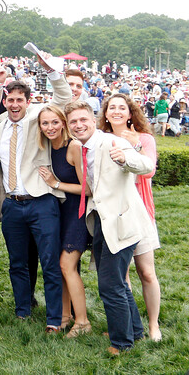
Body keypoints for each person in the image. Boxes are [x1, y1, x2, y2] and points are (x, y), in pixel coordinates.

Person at [0, 55, 71, 332]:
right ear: (5, 101)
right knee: (17, 264)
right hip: (12, 205)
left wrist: (52, 72)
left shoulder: (38, 119)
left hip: (42, 202)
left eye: (20, 100)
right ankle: (22, 312)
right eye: (10, 100)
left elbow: (63, 101)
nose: (14, 105)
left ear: (28, 101)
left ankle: (54, 319)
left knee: (50, 263)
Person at [65, 100, 155, 354]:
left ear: (93, 121)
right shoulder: (82, 147)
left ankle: (121, 343)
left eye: (83, 120)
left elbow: (147, 166)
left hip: (123, 223)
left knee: (110, 284)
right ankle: (134, 332)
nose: (79, 125)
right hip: (102, 223)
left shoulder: (111, 142)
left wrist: (126, 158)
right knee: (117, 282)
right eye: (73, 122)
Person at [97, 93, 162, 341]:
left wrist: (134, 146)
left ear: (130, 112)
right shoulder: (101, 139)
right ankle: (124, 322)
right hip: (115, 215)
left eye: (121, 108)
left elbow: (148, 172)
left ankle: (154, 325)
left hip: (141, 212)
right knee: (121, 276)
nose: (116, 111)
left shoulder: (143, 138)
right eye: (111, 107)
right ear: (105, 113)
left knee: (146, 272)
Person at [35, 105, 90, 337]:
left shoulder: (73, 146)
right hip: (61, 212)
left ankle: (83, 322)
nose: (50, 127)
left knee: (67, 266)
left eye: (55, 122)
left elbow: (87, 188)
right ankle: (66, 316)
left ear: (63, 123)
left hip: (78, 212)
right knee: (63, 265)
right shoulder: (48, 146)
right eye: (45, 123)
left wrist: (55, 184)